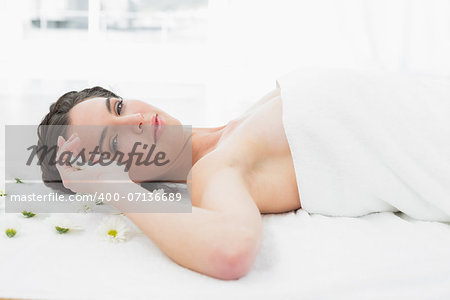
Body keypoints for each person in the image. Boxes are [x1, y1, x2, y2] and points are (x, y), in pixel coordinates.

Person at [37, 84, 300, 281]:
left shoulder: (236, 124)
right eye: (114, 142)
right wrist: (109, 185)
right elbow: (231, 249)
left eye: (118, 107)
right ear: (123, 175)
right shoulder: (215, 168)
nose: (135, 120)